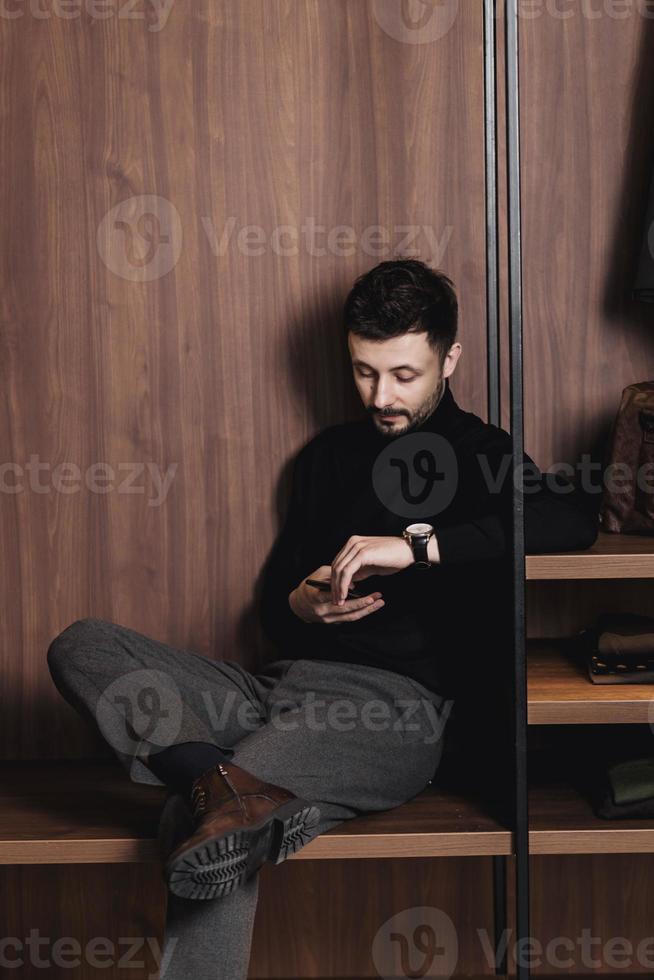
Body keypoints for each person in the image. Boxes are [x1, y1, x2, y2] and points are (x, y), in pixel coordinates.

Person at [46, 259, 599, 979]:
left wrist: (415, 546)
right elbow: (280, 600)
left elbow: (571, 515)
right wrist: (300, 603)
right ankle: (217, 779)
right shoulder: (327, 458)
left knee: (209, 832)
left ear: (449, 359)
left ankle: (219, 791)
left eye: (405, 374)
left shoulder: (480, 454)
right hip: (270, 692)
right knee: (83, 645)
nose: (382, 395)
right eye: (365, 371)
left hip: (389, 715)